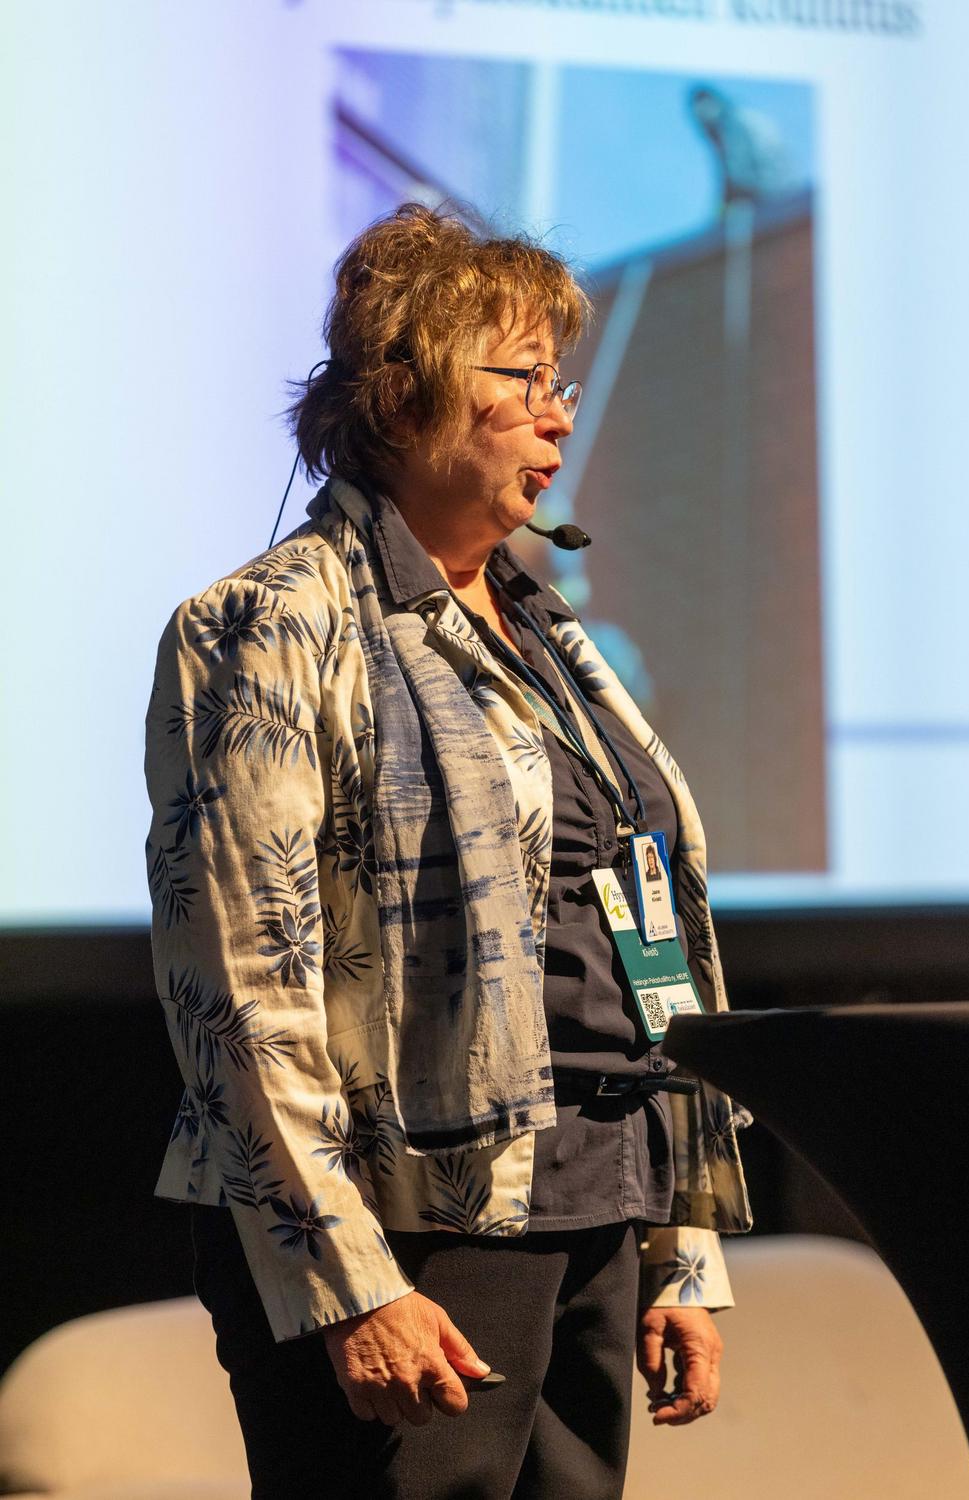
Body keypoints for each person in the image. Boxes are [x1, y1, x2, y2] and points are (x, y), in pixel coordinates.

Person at [143, 202, 751, 1500]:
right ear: (403, 393)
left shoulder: (551, 635)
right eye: (523, 378)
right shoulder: (269, 625)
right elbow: (240, 992)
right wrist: (348, 1282)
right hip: (407, 1235)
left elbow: (640, 939)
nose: (558, 415)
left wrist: (679, 1246)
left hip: (594, 1200)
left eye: (561, 381)